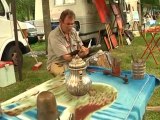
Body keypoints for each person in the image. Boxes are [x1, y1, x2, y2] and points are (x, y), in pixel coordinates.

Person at [47, 9, 89, 76]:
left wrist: (84, 49)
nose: (70, 27)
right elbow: (67, 57)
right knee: (71, 75)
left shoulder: (73, 31)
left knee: (92, 64)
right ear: (60, 21)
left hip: (73, 60)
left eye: (72, 24)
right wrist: (82, 55)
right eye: (68, 24)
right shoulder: (54, 35)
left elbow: (80, 46)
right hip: (58, 63)